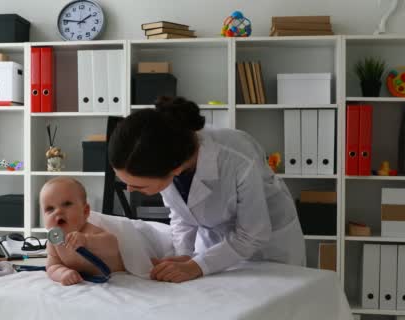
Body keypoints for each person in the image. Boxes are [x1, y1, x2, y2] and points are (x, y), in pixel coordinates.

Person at [108, 96, 305, 283]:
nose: (129, 189)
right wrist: (184, 256)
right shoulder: (164, 152)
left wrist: (197, 266)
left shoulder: (237, 157)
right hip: (215, 241)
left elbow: (253, 234)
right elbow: (182, 214)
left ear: (175, 169)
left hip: (267, 247)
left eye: (138, 186)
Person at [41, 177, 126, 285]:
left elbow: (112, 245)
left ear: (85, 211)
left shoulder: (89, 231)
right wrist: (63, 273)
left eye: (67, 204)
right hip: (90, 278)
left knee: (144, 263)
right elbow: (52, 267)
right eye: (49, 209)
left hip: (119, 269)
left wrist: (87, 241)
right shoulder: (54, 243)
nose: (58, 211)